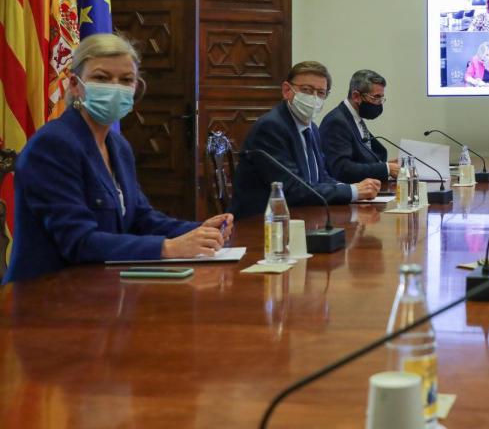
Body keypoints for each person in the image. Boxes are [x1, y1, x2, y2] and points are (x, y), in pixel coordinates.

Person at [4, 34, 233, 283]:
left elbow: (141, 218)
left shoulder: (119, 146)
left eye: (126, 80)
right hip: (44, 300)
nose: (115, 87)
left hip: (101, 293)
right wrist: (168, 248)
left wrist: (199, 230)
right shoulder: (52, 145)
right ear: (74, 85)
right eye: (101, 78)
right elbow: (79, 242)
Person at [231, 61, 380, 218]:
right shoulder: (271, 127)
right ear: (287, 90)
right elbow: (292, 189)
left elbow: (321, 177)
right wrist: (353, 191)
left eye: (321, 93)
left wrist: (352, 190)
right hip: (258, 224)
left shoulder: (311, 128)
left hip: (301, 217)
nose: (314, 97)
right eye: (307, 90)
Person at [320, 69, 398, 183]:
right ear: (356, 96)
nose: (379, 103)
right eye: (376, 97)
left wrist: (385, 165)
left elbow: (359, 158)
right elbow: (341, 169)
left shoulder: (354, 118)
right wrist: (386, 169)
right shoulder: (337, 122)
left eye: (382, 98)